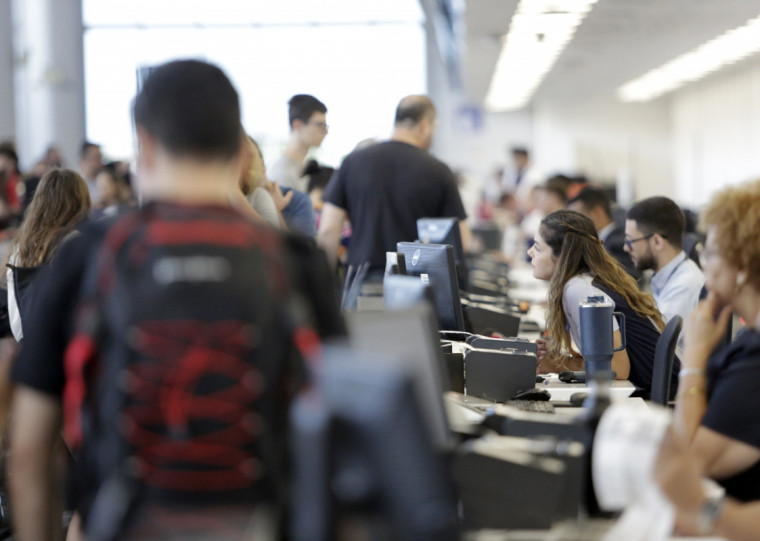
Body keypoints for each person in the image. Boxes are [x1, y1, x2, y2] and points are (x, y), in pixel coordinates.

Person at [8, 59, 330, 540]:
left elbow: (31, 450)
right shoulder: (294, 261)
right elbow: (339, 439)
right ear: (239, 153)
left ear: (145, 145)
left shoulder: (89, 255)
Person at [673, 180, 760, 503]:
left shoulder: (755, 361)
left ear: (743, 267)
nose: (704, 263)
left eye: (709, 253)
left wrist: (694, 356)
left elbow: (692, 464)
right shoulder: (750, 336)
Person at [318, 95, 470, 272]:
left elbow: (328, 230)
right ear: (424, 125)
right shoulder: (438, 170)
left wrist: (327, 284)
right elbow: (462, 241)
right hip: (415, 286)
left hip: (362, 282)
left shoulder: (353, 162)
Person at [528, 210, 667, 392]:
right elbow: (603, 357)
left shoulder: (579, 290)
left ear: (563, 255)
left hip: (653, 398)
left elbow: (617, 368)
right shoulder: (583, 282)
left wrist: (557, 364)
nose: (530, 252)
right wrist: (558, 355)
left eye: (538, 247)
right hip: (646, 388)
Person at [4, 168, 91, 342]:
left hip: (31, 346)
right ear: (80, 201)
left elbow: (16, 321)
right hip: (69, 345)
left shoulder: (21, 247)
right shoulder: (77, 243)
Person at [625, 196, 704, 324]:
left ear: (657, 242)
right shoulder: (671, 278)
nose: (626, 248)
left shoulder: (684, 287)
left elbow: (654, 341)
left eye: (630, 241)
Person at [567, 185, 641, 280]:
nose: (575, 225)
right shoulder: (605, 240)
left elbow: (626, 279)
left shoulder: (617, 243)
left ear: (597, 212)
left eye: (579, 217)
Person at [267, 94, 328, 193]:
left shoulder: (304, 170)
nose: (325, 131)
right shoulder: (282, 174)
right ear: (297, 125)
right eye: (320, 125)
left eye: (325, 126)